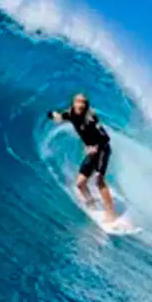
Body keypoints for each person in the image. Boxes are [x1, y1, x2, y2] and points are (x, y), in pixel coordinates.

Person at [47, 93, 117, 221]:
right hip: (91, 151)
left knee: (98, 179)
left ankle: (111, 213)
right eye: (78, 102)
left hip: (102, 149)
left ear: (86, 105)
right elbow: (60, 117)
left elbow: (106, 137)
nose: (80, 105)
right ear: (73, 103)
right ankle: (91, 202)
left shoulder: (90, 118)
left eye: (83, 102)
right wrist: (52, 115)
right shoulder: (70, 114)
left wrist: (94, 146)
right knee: (80, 184)